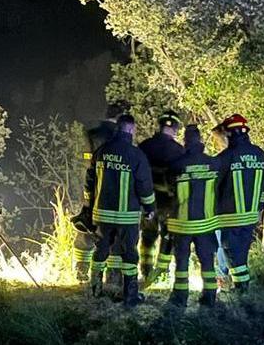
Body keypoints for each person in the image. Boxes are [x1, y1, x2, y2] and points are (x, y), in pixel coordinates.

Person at [87, 114, 157, 307]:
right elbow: (144, 186)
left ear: (117, 128)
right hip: (127, 217)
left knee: (100, 251)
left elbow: (90, 182)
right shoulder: (136, 155)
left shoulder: (102, 151)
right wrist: (150, 208)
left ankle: (95, 290)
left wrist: (89, 205)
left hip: (102, 214)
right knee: (129, 254)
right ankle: (130, 295)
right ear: (132, 130)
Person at [71, 100, 130, 282]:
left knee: (86, 227)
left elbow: (83, 163)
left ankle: (81, 272)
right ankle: (112, 277)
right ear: (121, 118)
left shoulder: (91, 134)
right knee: (112, 232)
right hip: (111, 191)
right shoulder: (119, 137)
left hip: (88, 189)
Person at [165, 125, 224, 306]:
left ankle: (180, 298)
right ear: (200, 141)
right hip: (206, 223)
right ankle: (210, 296)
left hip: (182, 223)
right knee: (207, 261)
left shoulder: (176, 165)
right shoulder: (214, 164)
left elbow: (169, 190)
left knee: (182, 262)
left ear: (185, 141)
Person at [213, 114, 264, 294]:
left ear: (229, 134)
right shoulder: (260, 154)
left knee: (231, 255)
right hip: (251, 216)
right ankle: (241, 288)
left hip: (229, 217)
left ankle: (241, 289)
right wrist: (259, 209)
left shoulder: (225, 157)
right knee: (241, 255)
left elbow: (214, 187)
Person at [137, 111, 185, 285]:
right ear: (176, 129)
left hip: (148, 202)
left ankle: (146, 271)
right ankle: (161, 273)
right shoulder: (179, 150)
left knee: (148, 237)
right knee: (168, 237)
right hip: (170, 204)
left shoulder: (145, 146)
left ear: (159, 126)